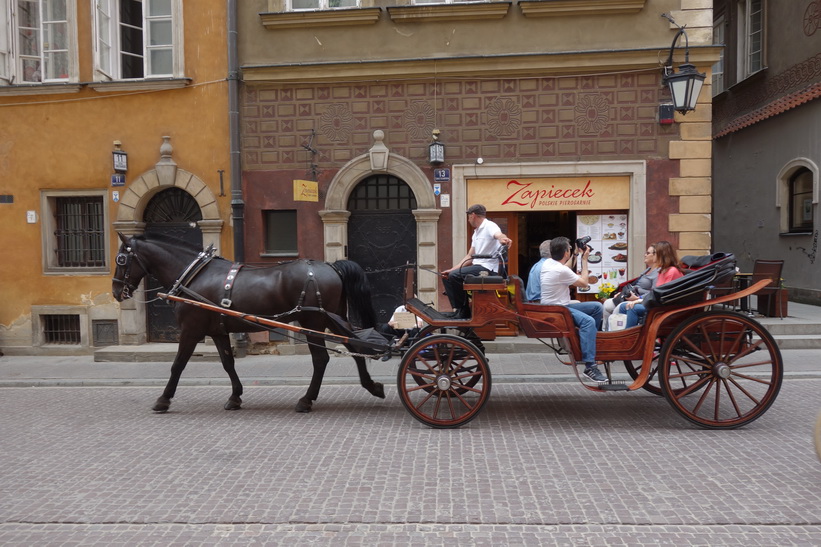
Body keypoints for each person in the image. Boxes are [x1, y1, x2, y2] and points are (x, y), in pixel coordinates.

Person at [539, 236, 606, 382]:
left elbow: (565, 268)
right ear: (565, 253)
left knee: (596, 307)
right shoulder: (559, 270)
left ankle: (587, 342)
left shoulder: (550, 264)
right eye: (569, 249)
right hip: (558, 310)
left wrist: (575, 253)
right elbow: (584, 283)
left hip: (557, 306)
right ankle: (590, 366)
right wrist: (584, 259)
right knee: (588, 321)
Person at [442, 204, 512, 319]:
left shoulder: (490, 226)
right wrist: (452, 269)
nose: (468, 219)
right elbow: (470, 256)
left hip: (487, 269)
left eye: (468, 217)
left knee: (455, 276)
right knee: (449, 276)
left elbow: (499, 235)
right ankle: (460, 309)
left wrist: (503, 238)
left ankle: (464, 311)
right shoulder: (476, 233)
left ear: (473, 215)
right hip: (478, 266)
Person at [617, 240, 683, 327]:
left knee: (632, 308)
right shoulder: (662, 271)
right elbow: (654, 292)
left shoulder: (672, 271)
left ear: (661, 255)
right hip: (656, 303)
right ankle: (621, 333)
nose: (652, 256)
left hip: (665, 307)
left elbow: (663, 294)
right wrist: (640, 299)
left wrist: (640, 300)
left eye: (654, 253)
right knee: (623, 306)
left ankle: (630, 337)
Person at [602, 244, 659, 329]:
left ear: (655, 255)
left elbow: (653, 293)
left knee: (618, 307)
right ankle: (606, 331)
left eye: (648, 253)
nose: (645, 255)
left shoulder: (658, 272)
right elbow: (635, 285)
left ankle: (615, 333)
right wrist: (622, 294)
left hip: (641, 299)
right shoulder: (648, 270)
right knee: (607, 304)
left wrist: (637, 298)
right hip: (631, 296)